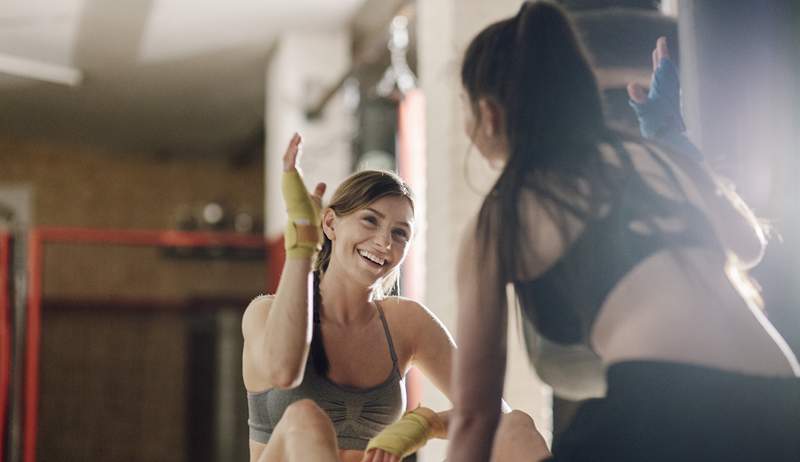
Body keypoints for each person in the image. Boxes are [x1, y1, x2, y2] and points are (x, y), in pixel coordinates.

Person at [447, 2, 800, 462]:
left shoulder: (501, 216)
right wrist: (675, 141)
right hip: (782, 396)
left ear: (488, 115)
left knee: (515, 439)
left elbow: (475, 415)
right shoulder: (657, 157)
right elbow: (748, 245)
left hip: (668, 401)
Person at [242, 134, 547, 462]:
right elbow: (283, 372)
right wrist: (302, 241)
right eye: (370, 221)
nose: (384, 242)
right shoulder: (264, 313)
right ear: (329, 223)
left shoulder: (405, 323)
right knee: (305, 418)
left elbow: (488, 410)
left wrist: (425, 424)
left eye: (399, 233)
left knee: (516, 426)